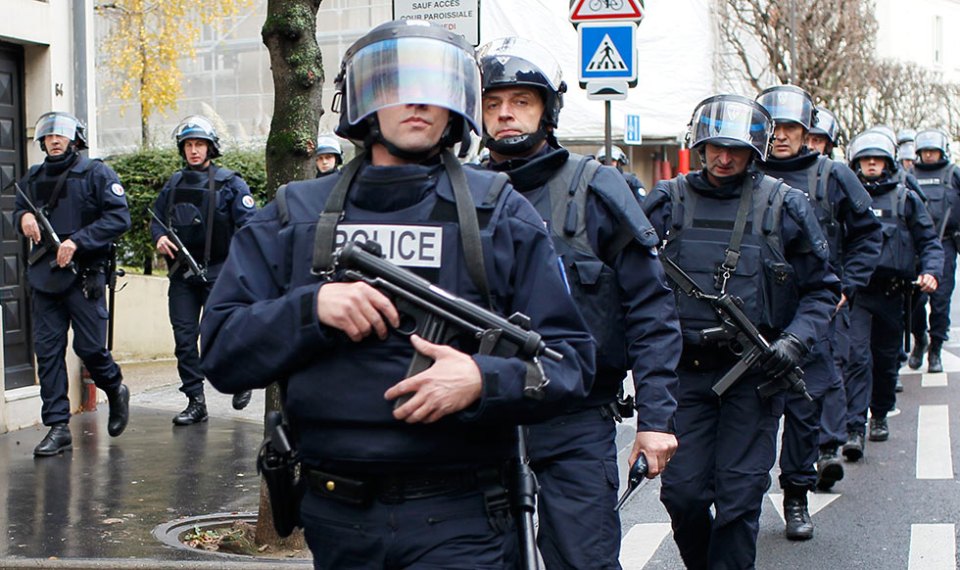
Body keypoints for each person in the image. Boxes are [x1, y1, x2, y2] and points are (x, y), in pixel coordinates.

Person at [199, 20, 595, 569]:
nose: (417, 102)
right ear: (361, 102)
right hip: (337, 517)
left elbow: (570, 363)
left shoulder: (499, 214)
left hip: (464, 517)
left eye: (435, 88)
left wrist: (483, 380)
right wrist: (310, 310)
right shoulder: (295, 216)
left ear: (456, 103)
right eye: (395, 85)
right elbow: (220, 352)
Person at [477, 37, 681, 569]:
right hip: (477, 419)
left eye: (521, 101)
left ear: (547, 110)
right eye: (493, 102)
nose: (505, 114)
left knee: (583, 560)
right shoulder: (456, 192)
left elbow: (651, 310)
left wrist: (655, 419)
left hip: (575, 416)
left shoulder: (596, 189)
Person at [643, 94, 840, 569]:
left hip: (752, 380)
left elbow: (821, 289)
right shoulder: (667, 201)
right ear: (700, 146)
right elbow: (633, 282)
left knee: (739, 500)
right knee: (684, 496)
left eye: (736, 150)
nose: (724, 158)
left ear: (756, 151)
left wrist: (794, 341)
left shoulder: (785, 206)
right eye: (715, 148)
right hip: (685, 378)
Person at [756, 85, 881, 538]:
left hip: (812, 314)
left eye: (791, 127)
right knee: (749, 414)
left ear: (807, 131)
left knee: (805, 412)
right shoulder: (745, 172)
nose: (782, 136)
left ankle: (795, 496)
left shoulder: (832, 174)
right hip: (753, 315)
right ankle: (744, 495)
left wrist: (846, 286)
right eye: (774, 127)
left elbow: (868, 234)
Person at [14, 112, 132, 456]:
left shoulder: (96, 173)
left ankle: (114, 387)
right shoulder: (33, 177)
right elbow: (19, 207)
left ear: (75, 139)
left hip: (84, 277)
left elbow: (118, 217)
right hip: (45, 278)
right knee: (48, 353)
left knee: (90, 349)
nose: (53, 141)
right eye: (48, 136)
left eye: (60, 136)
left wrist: (78, 241)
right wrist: (22, 217)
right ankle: (58, 426)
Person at [842, 130, 942, 459]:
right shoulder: (845, 196)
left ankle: (880, 414)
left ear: (887, 162)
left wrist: (930, 271)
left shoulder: (904, 198)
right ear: (856, 162)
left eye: (878, 158)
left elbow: (928, 240)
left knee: (885, 362)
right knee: (856, 358)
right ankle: (854, 427)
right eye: (866, 158)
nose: (872, 163)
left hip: (893, 293)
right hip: (857, 294)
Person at [151, 115, 257, 425]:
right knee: (184, 339)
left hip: (220, 271)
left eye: (199, 144)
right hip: (183, 275)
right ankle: (195, 401)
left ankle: (241, 378)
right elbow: (157, 219)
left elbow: (249, 227)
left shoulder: (230, 183)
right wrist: (159, 238)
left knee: (221, 332)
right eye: (188, 145)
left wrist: (241, 268)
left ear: (211, 148)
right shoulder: (174, 183)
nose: (194, 150)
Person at [907, 128, 960, 373]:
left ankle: (936, 349)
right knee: (915, 301)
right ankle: (920, 340)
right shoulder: (909, 175)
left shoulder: (953, 174)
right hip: (916, 247)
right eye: (925, 151)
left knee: (940, 301)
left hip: (946, 243)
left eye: (933, 151)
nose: (929, 155)